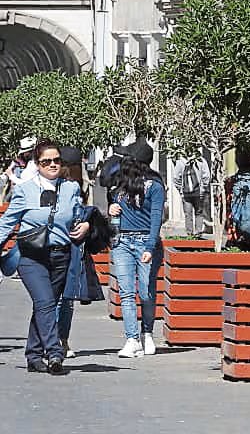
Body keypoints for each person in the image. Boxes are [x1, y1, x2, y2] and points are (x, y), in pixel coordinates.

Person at [0, 139, 90, 376]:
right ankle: (55, 352)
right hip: (31, 257)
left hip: (60, 255)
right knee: (46, 303)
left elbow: (79, 215)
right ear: (37, 164)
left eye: (56, 160)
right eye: (46, 161)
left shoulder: (70, 188)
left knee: (44, 305)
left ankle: (34, 355)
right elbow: (7, 222)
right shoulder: (24, 190)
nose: (52, 165)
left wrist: (86, 225)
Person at [106, 140, 165, 358]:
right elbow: (115, 208)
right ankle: (132, 339)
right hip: (122, 242)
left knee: (146, 292)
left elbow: (156, 218)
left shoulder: (155, 186)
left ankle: (147, 333)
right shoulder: (120, 184)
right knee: (126, 292)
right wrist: (112, 209)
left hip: (145, 242)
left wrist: (150, 246)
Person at [56, 145, 90, 357]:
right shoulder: (74, 187)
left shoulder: (54, 184)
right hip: (70, 246)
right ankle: (62, 341)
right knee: (66, 299)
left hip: (56, 244)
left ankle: (54, 339)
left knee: (56, 298)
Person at [178, 155, 212, 237]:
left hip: (188, 193)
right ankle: (197, 233)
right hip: (196, 192)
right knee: (197, 213)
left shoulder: (180, 161)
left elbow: (176, 177)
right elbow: (206, 175)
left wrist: (180, 189)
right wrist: (203, 188)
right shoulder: (200, 160)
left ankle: (190, 234)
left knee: (188, 214)